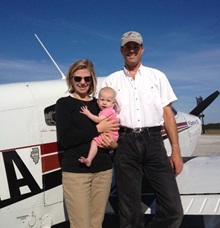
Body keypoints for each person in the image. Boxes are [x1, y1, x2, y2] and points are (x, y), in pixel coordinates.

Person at [102, 31, 184, 228]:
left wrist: (176, 150)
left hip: (154, 141)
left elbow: (167, 114)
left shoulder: (157, 76)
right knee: (129, 213)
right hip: (125, 143)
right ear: (121, 50)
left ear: (142, 49)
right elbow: (105, 115)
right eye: (127, 47)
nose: (132, 50)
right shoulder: (110, 81)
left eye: (135, 46)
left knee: (173, 210)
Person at [55, 59, 119, 228]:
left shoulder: (100, 104)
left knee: (96, 223)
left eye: (87, 78)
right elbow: (65, 139)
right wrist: (97, 129)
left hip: (103, 171)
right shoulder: (64, 104)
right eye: (78, 79)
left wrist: (113, 145)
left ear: (92, 80)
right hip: (76, 173)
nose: (82, 82)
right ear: (71, 80)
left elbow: (113, 132)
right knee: (80, 224)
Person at [79, 86, 119, 167]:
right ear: (98, 101)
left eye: (108, 100)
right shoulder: (107, 110)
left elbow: (98, 120)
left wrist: (87, 113)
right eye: (102, 100)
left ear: (113, 103)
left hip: (109, 135)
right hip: (111, 135)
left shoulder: (108, 111)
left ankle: (89, 159)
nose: (104, 103)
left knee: (94, 142)